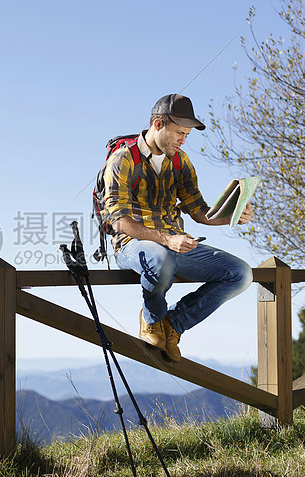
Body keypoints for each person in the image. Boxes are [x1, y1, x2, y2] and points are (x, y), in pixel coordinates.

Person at [102, 94, 254, 362]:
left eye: (186, 134)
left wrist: (232, 215)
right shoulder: (123, 160)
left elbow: (198, 211)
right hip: (132, 246)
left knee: (240, 274)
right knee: (160, 259)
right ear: (159, 125)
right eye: (180, 133)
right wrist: (165, 239)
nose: (183, 140)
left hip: (176, 244)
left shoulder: (181, 161)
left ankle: (172, 325)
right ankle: (152, 320)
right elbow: (119, 222)